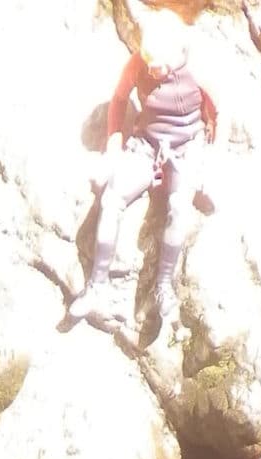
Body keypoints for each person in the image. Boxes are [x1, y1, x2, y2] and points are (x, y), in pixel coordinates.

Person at [70, 15, 218, 349]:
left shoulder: (197, 65)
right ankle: (97, 285)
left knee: (179, 207)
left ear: (176, 54)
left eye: (158, 66)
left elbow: (217, 109)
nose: (152, 71)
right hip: (147, 144)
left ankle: (164, 285)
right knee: (112, 198)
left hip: (186, 145)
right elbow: (119, 99)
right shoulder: (139, 64)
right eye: (149, 64)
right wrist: (114, 142)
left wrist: (208, 151)